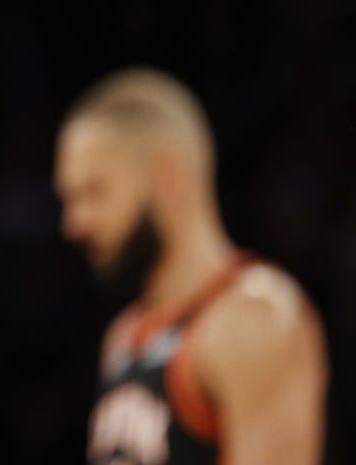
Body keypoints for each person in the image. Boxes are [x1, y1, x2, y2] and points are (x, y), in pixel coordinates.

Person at [52, 66, 327, 465]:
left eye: (95, 192)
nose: (74, 223)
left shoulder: (256, 323)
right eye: (69, 198)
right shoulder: (125, 336)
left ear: (167, 176)